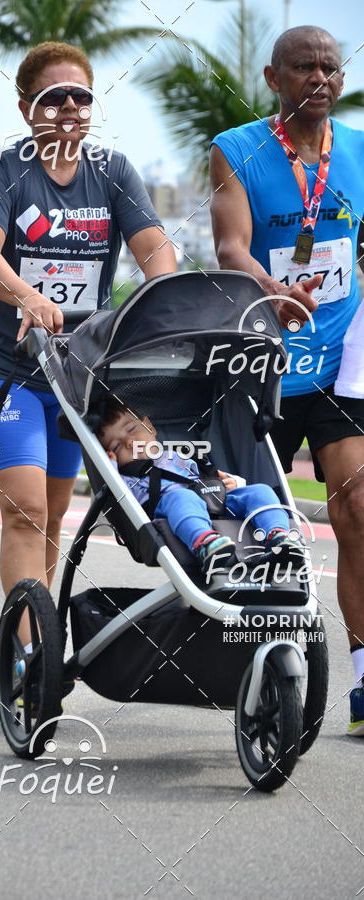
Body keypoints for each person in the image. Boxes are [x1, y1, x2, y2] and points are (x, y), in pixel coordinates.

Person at [0, 41, 177, 606]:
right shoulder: (5, 167)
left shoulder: (112, 171)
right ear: (26, 109)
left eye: (80, 97)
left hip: (77, 368)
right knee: (26, 509)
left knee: (54, 513)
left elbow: (154, 245)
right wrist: (27, 296)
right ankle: (30, 652)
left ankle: (30, 638)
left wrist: (159, 297)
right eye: (53, 98)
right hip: (6, 367)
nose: (69, 109)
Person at [209, 25, 364, 735]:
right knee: (258, 529)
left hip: (340, 365)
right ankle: (261, 664)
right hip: (265, 364)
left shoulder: (359, 149)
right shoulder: (237, 150)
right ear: (275, 77)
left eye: (330, 68)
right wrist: (271, 288)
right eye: (305, 68)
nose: (321, 79)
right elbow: (230, 245)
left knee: (357, 510)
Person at [96, 397, 303, 574]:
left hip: (215, 500)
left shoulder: (180, 455)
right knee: (182, 497)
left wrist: (232, 483)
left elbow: (209, 476)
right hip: (173, 508)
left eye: (132, 430)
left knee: (260, 491)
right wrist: (110, 467)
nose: (130, 443)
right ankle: (205, 544)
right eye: (117, 446)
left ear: (149, 426)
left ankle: (278, 537)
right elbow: (119, 492)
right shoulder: (128, 478)